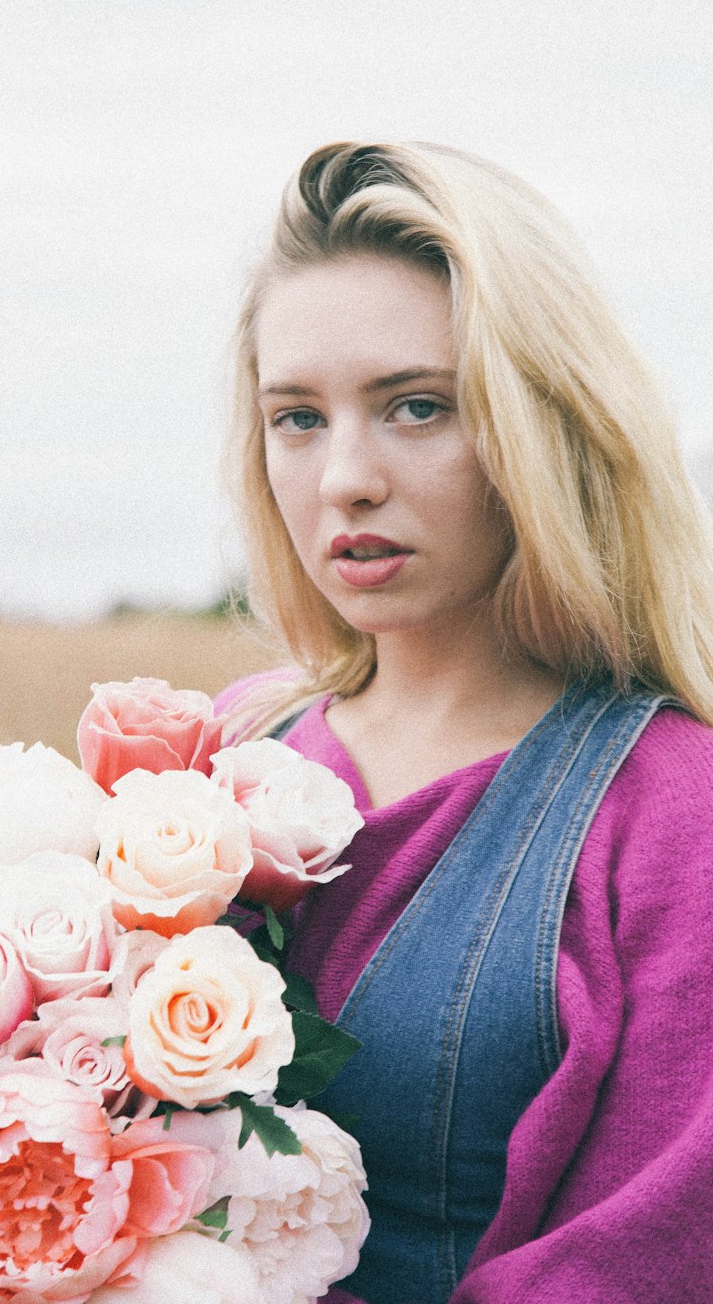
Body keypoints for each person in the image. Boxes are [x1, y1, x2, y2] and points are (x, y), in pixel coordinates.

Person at [216, 141, 713, 1304]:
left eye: (417, 406)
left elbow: (644, 1257)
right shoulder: (224, 754)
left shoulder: (674, 813)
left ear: (544, 427)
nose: (345, 476)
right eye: (297, 417)